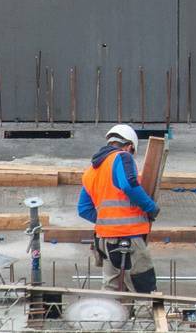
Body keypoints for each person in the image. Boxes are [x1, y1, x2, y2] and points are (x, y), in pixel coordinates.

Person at [78, 124, 160, 292]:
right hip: (128, 239)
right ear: (129, 146)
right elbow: (129, 185)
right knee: (144, 291)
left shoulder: (91, 171)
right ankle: (145, 319)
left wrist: (107, 220)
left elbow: (84, 209)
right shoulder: (122, 157)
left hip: (104, 243)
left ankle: (108, 319)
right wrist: (150, 208)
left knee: (112, 295)